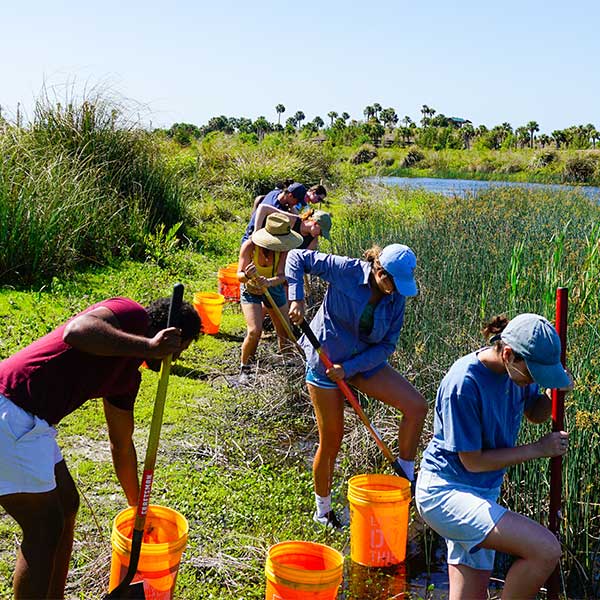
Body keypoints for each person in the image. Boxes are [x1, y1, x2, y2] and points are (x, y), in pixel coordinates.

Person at [0, 296, 201, 598]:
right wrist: (148, 347)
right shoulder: (130, 314)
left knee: (66, 503)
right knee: (44, 528)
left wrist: (138, 510)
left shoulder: (126, 379)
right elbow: (77, 331)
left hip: (33, 424)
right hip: (11, 409)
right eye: (180, 350)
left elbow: (121, 446)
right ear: (169, 337)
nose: (176, 359)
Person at [415, 313, 573, 600]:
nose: (532, 381)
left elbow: (534, 413)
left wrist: (553, 393)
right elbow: (472, 461)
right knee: (545, 550)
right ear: (509, 354)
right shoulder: (463, 384)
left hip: (483, 492)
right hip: (444, 492)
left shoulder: (516, 373)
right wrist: (538, 449)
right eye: (533, 374)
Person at [286, 244, 428, 529]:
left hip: (361, 363)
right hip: (325, 360)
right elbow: (296, 257)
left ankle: (405, 480)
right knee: (332, 441)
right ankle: (323, 513)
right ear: (378, 270)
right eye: (391, 283)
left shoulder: (396, 296)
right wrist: (296, 299)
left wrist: (349, 369)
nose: (395, 291)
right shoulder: (347, 270)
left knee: (417, 406)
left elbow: (388, 344)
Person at [237, 213, 303, 385]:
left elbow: (282, 276)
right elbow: (239, 276)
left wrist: (268, 281)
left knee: (284, 330)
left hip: (273, 289)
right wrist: (247, 275)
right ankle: (245, 368)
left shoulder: (284, 251)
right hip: (250, 289)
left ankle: (288, 366)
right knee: (254, 331)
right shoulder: (250, 246)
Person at [242, 182, 307, 243]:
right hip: (253, 239)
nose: (297, 203)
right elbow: (294, 219)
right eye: (297, 201)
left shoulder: (276, 193)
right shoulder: (274, 208)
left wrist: (291, 207)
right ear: (290, 195)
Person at [254, 202, 332, 250]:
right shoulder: (292, 220)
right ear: (315, 223)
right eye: (321, 232)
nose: (320, 235)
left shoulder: (313, 241)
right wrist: (256, 233)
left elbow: (304, 259)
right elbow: (263, 208)